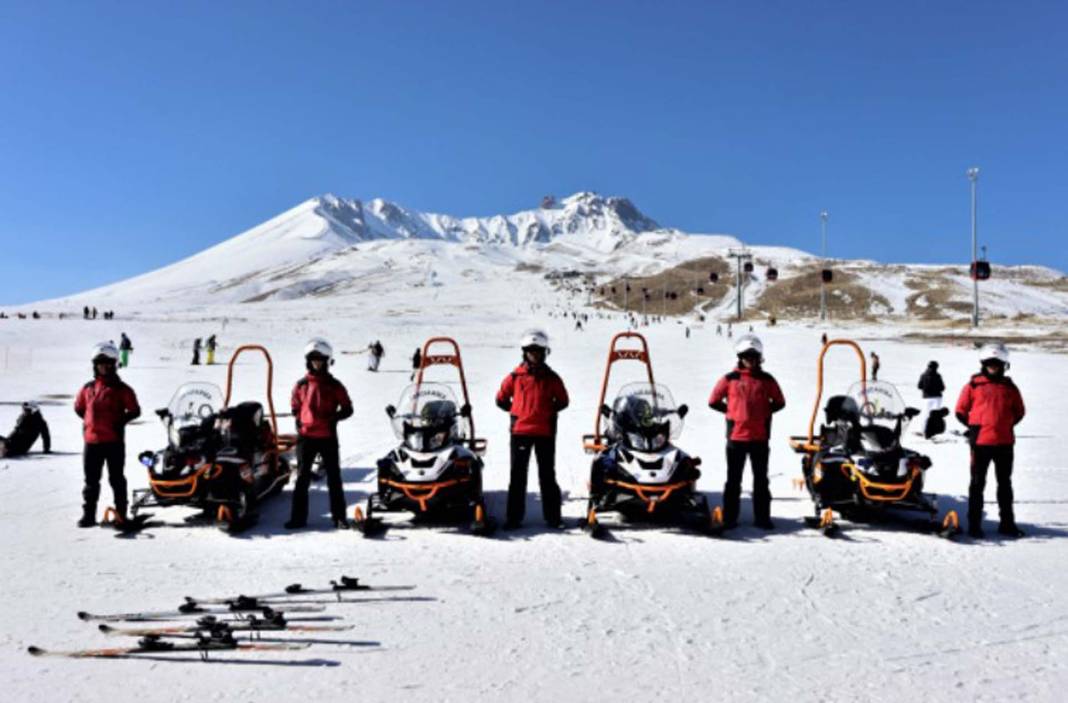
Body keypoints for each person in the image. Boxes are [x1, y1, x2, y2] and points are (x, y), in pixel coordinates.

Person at [709, 335, 786, 530]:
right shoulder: (730, 379)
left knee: (761, 480)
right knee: (733, 480)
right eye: (746, 356)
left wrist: (764, 413)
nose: (750, 360)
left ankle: (762, 518)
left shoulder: (767, 380)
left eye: (754, 357)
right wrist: (731, 413)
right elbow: (713, 400)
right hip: (736, 438)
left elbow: (780, 402)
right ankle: (729, 518)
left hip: (760, 438)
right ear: (740, 357)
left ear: (759, 358)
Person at [496, 329, 569, 529]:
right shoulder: (515, 377)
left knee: (547, 476)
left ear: (544, 353)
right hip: (520, 433)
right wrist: (517, 412)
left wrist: (547, 412)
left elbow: (563, 401)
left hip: (545, 433)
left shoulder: (552, 378)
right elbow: (501, 399)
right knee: (517, 477)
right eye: (531, 351)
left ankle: (553, 518)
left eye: (538, 351)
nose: (534, 355)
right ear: (525, 353)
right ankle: (513, 519)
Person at [955, 343, 1026, 539]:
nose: (993, 367)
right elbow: (960, 410)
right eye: (990, 363)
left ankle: (1007, 524)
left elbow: (1019, 412)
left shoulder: (1010, 388)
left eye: (997, 363)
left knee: (1005, 484)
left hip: (1004, 443)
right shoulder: (973, 386)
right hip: (980, 444)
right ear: (984, 364)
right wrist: (974, 427)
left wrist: (1004, 425)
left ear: (1004, 365)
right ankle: (975, 525)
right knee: (977, 485)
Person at [286, 338, 354, 530]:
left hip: (327, 438)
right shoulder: (301, 385)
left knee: (334, 478)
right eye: (314, 359)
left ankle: (339, 517)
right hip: (306, 438)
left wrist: (334, 418)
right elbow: (295, 405)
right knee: (302, 479)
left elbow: (348, 408)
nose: (317, 362)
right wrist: (298, 420)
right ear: (309, 361)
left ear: (327, 361)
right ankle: (298, 519)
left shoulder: (334, 385)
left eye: (321, 359)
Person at [74, 342, 140, 527]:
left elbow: (135, 410)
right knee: (91, 482)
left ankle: (121, 515)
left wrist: (119, 422)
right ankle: (88, 515)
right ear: (95, 365)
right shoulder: (88, 388)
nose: (105, 366)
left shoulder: (122, 389)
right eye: (101, 363)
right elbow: (79, 408)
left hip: (113, 442)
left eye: (108, 363)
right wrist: (90, 423)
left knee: (116, 479)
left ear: (114, 364)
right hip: (92, 442)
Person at [917, 360, 946, 436]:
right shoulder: (938, 375)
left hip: (926, 398)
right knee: (935, 416)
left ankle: (923, 430)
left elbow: (919, 386)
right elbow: (942, 387)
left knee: (925, 414)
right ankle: (934, 431)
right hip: (937, 398)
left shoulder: (923, 375)